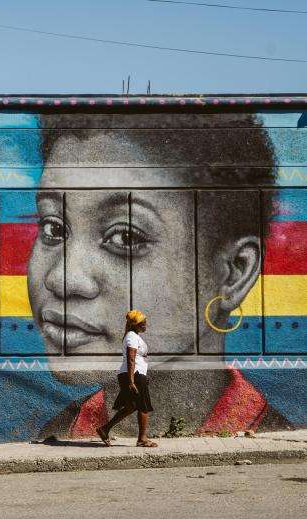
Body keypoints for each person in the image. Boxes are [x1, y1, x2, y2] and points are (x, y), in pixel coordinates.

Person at [29, 112, 293, 439]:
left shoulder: (271, 441)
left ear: (234, 273)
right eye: (53, 228)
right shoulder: (58, 430)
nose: (63, 279)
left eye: (126, 237)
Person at [96, 310, 156, 447]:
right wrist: (131, 381)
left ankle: (105, 429)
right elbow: (131, 358)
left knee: (131, 406)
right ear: (135, 324)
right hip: (133, 375)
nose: (145, 324)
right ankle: (142, 439)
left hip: (135, 375)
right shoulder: (131, 337)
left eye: (145, 321)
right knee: (143, 406)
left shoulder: (134, 335)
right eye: (142, 323)